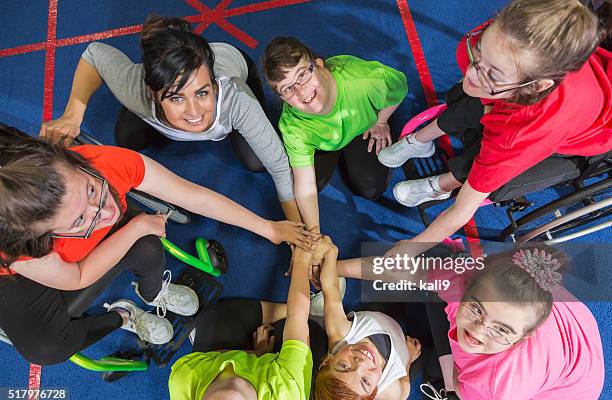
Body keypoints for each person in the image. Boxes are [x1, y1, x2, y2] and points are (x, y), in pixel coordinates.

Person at [0, 124, 314, 365]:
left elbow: (193, 195)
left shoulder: (107, 164)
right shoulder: (22, 244)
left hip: (66, 254)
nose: (107, 211)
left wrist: (268, 228)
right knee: (48, 348)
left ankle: (153, 291)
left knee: (149, 245)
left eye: (93, 190)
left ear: (75, 162)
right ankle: (125, 316)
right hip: (27, 276)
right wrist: (135, 225)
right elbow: (76, 276)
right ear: (42, 236)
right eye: (80, 220)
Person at [377, 0, 612, 253]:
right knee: (470, 100)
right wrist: (489, 85)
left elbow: (463, 209)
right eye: (478, 53)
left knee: (487, 164)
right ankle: (421, 141)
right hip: (554, 85)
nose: (471, 73)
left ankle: (443, 186)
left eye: (493, 73)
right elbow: (484, 76)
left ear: (535, 86)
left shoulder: (522, 131)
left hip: (586, 131)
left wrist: (412, 247)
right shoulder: (508, 38)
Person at [38, 15, 302, 222]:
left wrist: (301, 238)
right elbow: (95, 54)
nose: (194, 111)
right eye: (176, 98)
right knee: (126, 138)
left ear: (212, 82)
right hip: (154, 99)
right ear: (153, 93)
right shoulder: (135, 88)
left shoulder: (237, 99)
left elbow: (279, 167)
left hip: (235, 67)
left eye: (202, 92)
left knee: (257, 161)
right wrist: (73, 114)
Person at [335, 245, 605, 400]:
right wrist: (335, 267)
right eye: (476, 309)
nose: (478, 330)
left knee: (449, 385)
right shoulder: (465, 277)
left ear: (523, 339)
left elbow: (460, 385)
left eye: (500, 329)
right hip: (572, 327)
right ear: (468, 286)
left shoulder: (498, 385)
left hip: (564, 392)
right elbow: (403, 270)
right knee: (434, 271)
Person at [262, 37, 408, 237]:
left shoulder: (364, 81)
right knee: (314, 184)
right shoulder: (292, 124)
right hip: (326, 143)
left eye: (302, 75)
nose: (302, 92)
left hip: (362, 127)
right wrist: (314, 236)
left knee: (371, 188)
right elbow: (304, 185)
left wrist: (381, 121)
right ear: (281, 97)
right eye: (288, 89)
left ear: (319, 64)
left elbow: (399, 87)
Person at [168, 245, 321, 400]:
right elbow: (297, 316)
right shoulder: (288, 396)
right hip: (278, 376)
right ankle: (313, 310)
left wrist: (257, 353)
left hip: (220, 360)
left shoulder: (184, 380)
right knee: (312, 331)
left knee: (213, 317)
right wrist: (303, 255)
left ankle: (284, 315)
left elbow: (213, 355)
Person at [309, 237, 422, 400]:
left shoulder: (339, 332)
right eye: (366, 382)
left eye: (344, 366)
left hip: (373, 313)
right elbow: (403, 394)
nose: (361, 363)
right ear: (375, 391)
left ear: (328, 360)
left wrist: (332, 252)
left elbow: (330, 288)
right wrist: (408, 362)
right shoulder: (389, 390)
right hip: (401, 342)